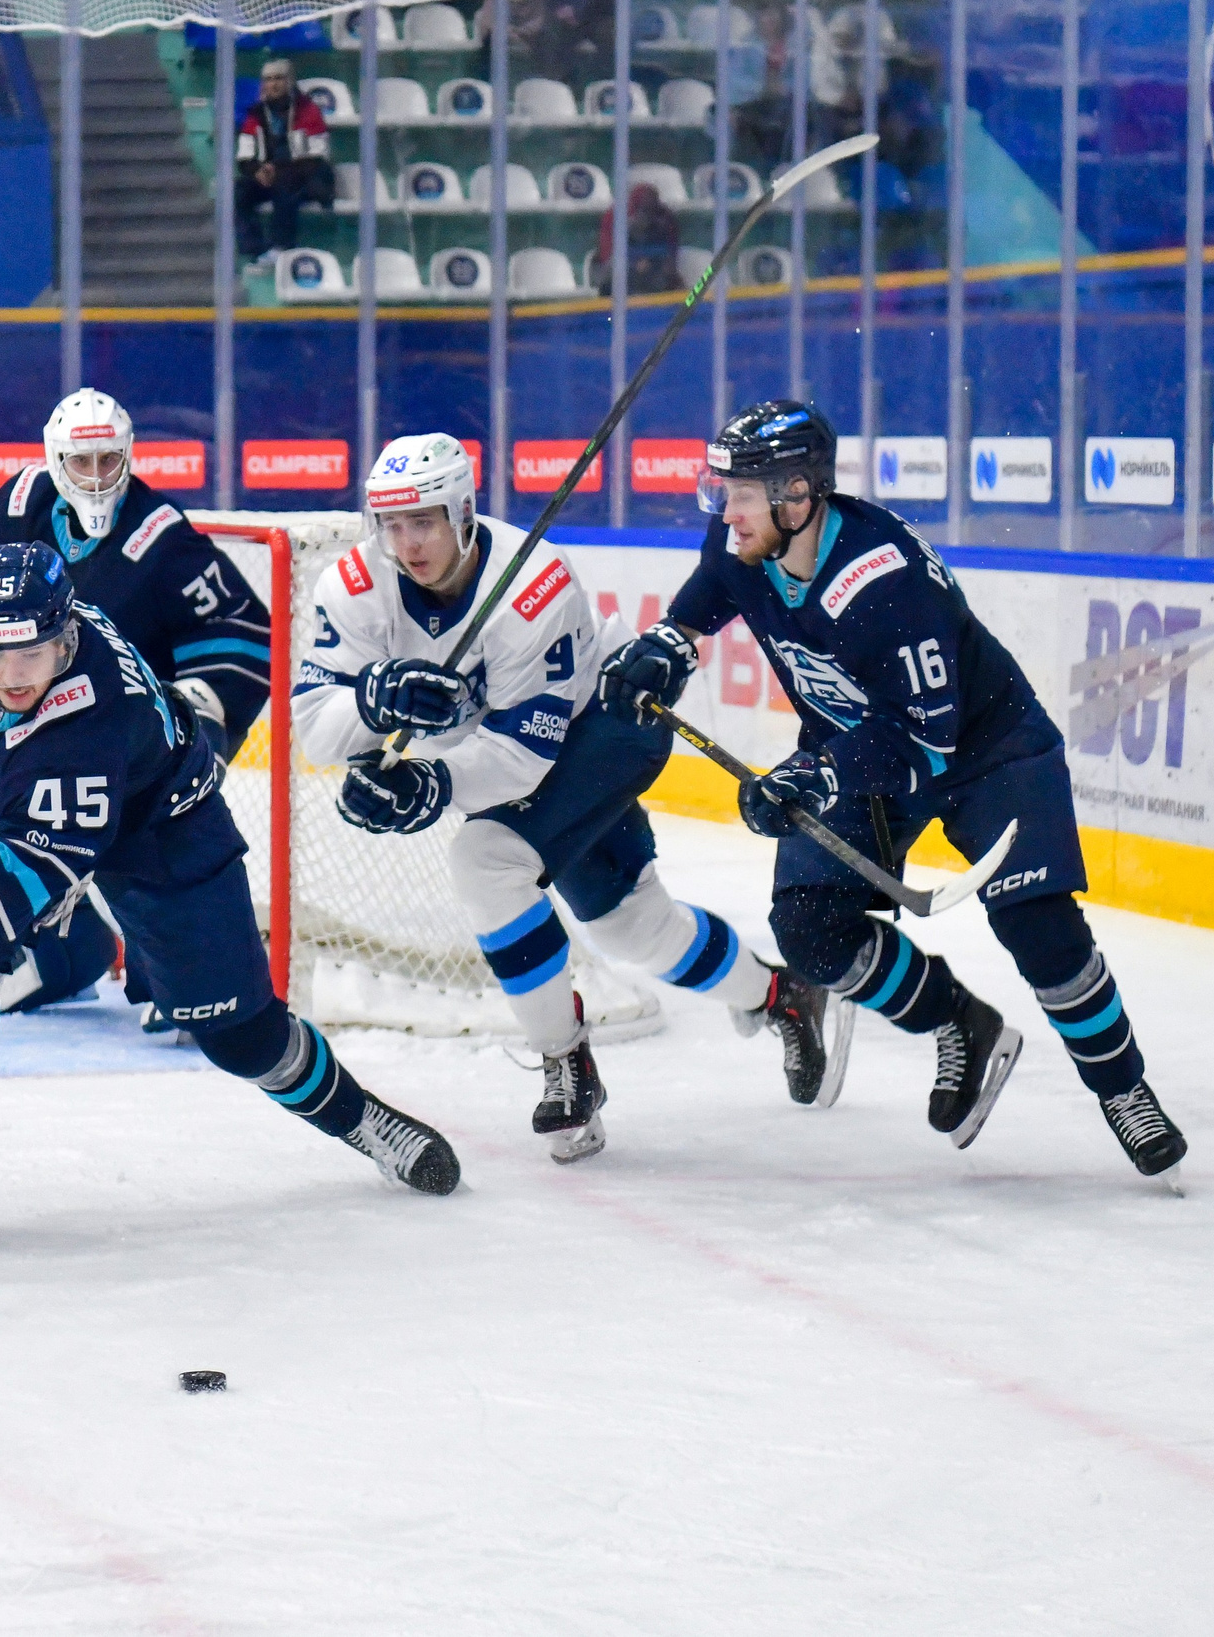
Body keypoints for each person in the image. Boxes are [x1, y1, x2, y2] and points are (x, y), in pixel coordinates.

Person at [598, 399, 1190, 1182]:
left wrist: (818, 773)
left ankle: (1125, 1089)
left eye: (741, 492)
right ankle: (961, 1024)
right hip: (856, 747)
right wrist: (671, 643)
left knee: (1038, 926)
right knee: (810, 930)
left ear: (800, 495)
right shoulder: (745, 540)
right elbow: (710, 589)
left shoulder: (883, 584)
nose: (723, 508)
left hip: (984, 747)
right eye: (724, 489)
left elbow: (924, 741)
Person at [0, 542, 462, 1243]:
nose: (11, 677)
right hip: (21, 799)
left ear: (68, 638)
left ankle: (360, 1116)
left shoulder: (95, 713)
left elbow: (29, 875)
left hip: (162, 827)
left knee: (241, 1036)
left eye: (31, 655)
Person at [297, 434, 832, 1162]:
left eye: (423, 521)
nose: (407, 542)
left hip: (606, 727)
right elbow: (314, 729)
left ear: (462, 511)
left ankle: (565, 1060)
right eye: (391, 524)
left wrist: (431, 784)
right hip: (519, 752)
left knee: (486, 859)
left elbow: (522, 759)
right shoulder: (356, 586)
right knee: (633, 928)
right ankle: (779, 995)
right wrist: (372, 700)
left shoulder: (532, 584)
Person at [0, 386, 271, 1016]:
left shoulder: (163, 539)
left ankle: (178, 980)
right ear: (54, 461)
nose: (93, 476)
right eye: (79, 462)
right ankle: (69, 952)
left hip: (133, 738)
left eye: (107, 460)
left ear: (128, 455)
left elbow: (243, 630)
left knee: (142, 864)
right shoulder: (20, 502)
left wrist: (200, 710)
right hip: (37, 722)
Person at [234, 60, 333, 259]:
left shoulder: (308, 110)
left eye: (279, 78)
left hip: (307, 176)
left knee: (286, 185)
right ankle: (255, 248)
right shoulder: (256, 114)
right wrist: (257, 171)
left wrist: (277, 169)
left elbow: (317, 155)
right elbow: (245, 155)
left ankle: (282, 246)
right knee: (238, 191)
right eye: (268, 80)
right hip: (270, 176)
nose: (274, 84)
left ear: (289, 81)